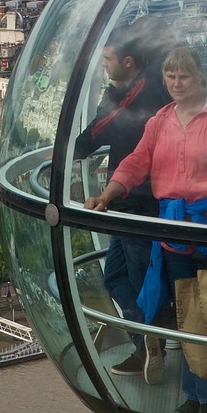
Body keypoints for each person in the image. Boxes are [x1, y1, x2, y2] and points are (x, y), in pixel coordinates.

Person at [84, 46, 207, 413]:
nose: (176, 84)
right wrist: (107, 195)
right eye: (170, 77)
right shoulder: (160, 120)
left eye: (184, 76)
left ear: (199, 77)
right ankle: (193, 395)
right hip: (173, 229)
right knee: (188, 316)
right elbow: (135, 163)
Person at [74, 21, 171, 384]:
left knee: (137, 275)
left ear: (128, 62)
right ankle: (148, 341)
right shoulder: (133, 85)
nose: (104, 65)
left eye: (109, 59)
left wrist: (71, 150)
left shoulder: (144, 93)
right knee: (116, 276)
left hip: (139, 199)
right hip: (125, 198)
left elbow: (106, 126)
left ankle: (153, 338)